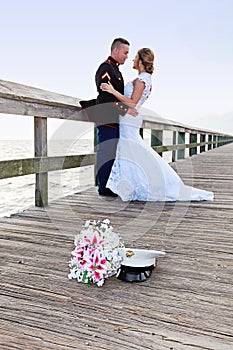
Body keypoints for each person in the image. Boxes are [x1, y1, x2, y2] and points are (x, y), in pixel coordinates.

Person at [100, 48, 214, 201]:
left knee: (132, 149)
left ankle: (149, 182)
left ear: (141, 61)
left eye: (135, 57)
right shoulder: (144, 78)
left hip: (129, 118)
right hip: (129, 117)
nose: (132, 60)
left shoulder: (142, 80)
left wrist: (112, 90)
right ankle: (131, 184)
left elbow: (133, 103)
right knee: (131, 150)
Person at [95, 37, 137, 197]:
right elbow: (107, 98)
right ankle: (103, 187)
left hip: (114, 119)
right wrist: (126, 109)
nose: (127, 56)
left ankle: (109, 185)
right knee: (106, 152)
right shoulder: (106, 68)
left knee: (113, 152)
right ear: (116, 50)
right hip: (106, 118)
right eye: (125, 52)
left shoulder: (116, 70)